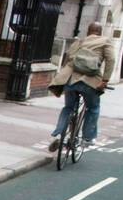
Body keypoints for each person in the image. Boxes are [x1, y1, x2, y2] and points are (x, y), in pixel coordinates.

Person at [48, 21, 115, 151]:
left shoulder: (80, 41)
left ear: (88, 32)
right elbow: (111, 60)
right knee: (93, 108)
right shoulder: (105, 41)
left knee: (68, 107)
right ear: (100, 32)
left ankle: (57, 134)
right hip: (90, 82)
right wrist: (105, 80)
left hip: (71, 80)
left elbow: (68, 59)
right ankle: (87, 138)